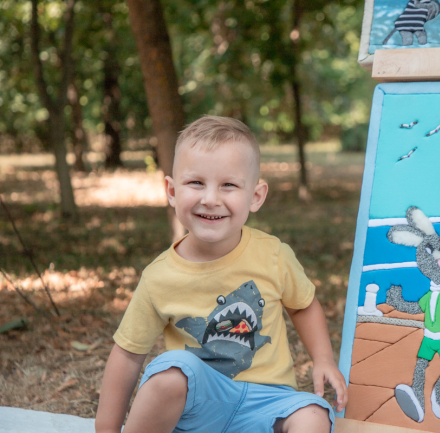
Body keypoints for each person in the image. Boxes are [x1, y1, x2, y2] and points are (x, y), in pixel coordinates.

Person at [95, 116, 347, 433]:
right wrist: (106, 429)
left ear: (255, 196)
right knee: (173, 371)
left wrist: (323, 359)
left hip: (266, 404)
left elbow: (303, 306)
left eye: (228, 185)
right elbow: (128, 355)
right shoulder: (159, 277)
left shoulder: (273, 255)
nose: (210, 199)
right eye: (196, 183)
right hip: (197, 409)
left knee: (314, 414)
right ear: (171, 191)